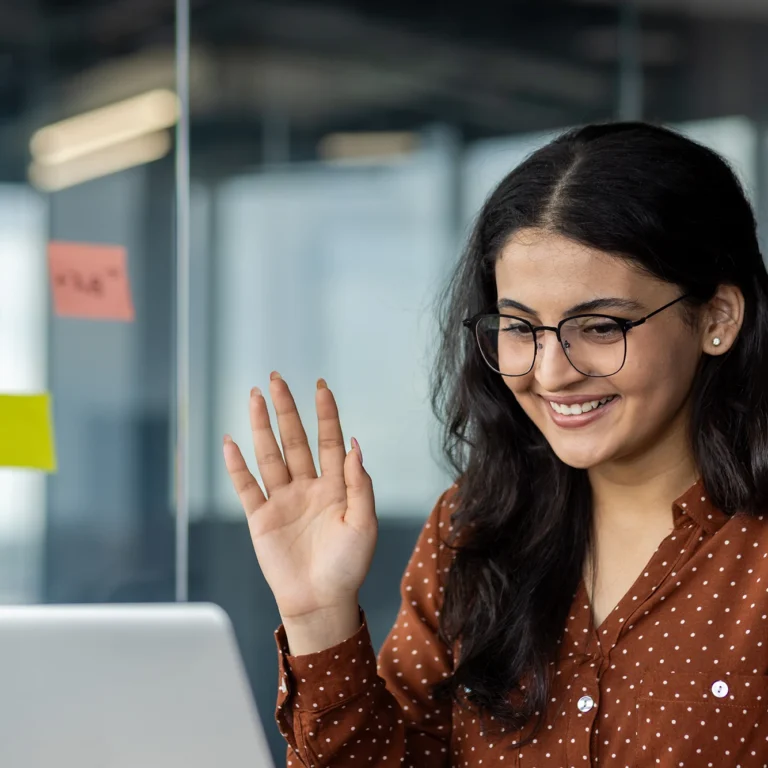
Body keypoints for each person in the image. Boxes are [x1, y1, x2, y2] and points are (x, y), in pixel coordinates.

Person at [222, 122, 768, 767]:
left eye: (599, 325)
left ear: (717, 319)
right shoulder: (474, 528)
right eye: (519, 327)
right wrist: (318, 615)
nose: (551, 371)